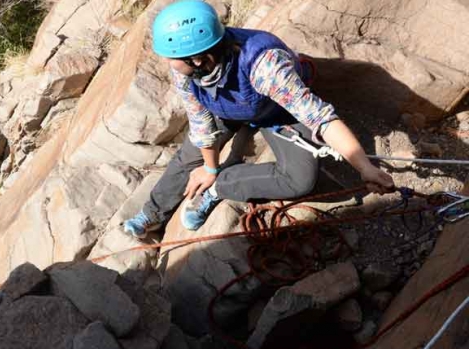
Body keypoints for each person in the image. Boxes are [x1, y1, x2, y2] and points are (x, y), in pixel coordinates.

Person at [123, 0, 395, 238]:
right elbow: (200, 123)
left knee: (299, 180)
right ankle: (153, 214)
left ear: (198, 58)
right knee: (190, 155)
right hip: (226, 107)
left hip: (275, 111)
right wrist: (208, 166)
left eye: (172, 57)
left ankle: (222, 187)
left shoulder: (263, 66)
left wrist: (364, 167)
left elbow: (321, 119)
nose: (168, 63)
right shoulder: (186, 70)